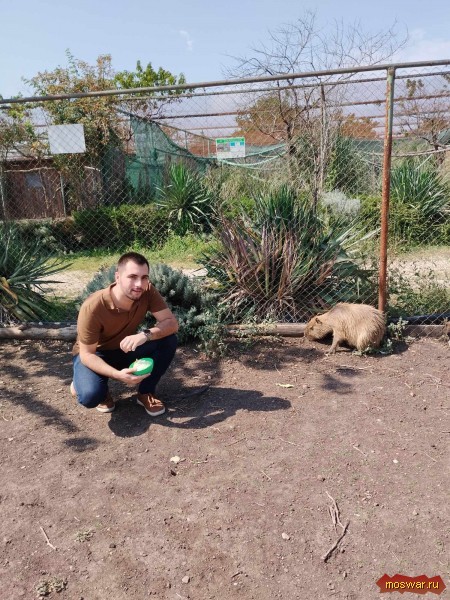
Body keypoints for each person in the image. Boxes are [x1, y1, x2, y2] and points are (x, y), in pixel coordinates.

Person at [71, 252, 178, 417]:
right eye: (132, 277)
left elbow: (171, 323)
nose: (139, 284)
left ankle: (146, 392)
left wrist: (145, 335)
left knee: (168, 340)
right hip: (95, 354)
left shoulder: (147, 291)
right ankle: (92, 388)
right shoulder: (93, 306)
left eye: (144, 277)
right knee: (90, 396)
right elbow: (87, 354)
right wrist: (117, 375)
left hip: (124, 348)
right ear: (118, 277)